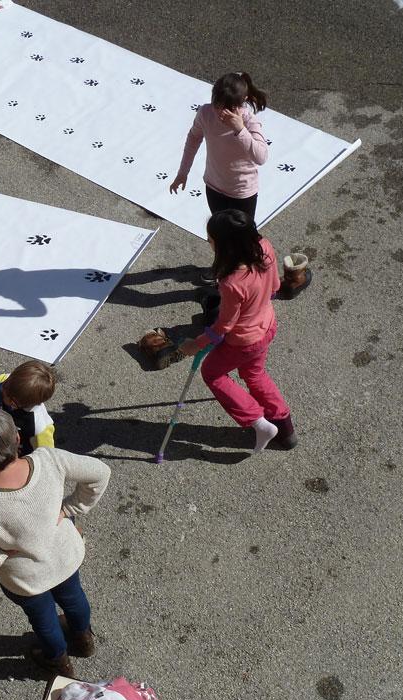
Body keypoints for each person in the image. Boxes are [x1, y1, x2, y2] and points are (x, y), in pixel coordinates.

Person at [0, 409, 111, 677]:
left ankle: (58, 661)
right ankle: (83, 640)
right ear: (17, 438)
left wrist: (0, 556)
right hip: (65, 556)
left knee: (44, 620)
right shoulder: (49, 458)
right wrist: (70, 508)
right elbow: (100, 472)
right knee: (74, 598)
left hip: (27, 581)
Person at [179, 210, 296, 452]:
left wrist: (195, 344)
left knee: (212, 373)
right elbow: (274, 287)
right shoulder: (264, 247)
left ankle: (258, 421)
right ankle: (285, 428)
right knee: (254, 374)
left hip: (244, 340)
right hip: (267, 326)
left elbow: (224, 327)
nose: (208, 242)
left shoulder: (231, 281)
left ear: (225, 245)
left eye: (210, 238)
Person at [170, 71, 268, 219]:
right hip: (214, 188)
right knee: (221, 236)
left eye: (229, 109)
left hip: (242, 194)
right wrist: (182, 173)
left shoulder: (249, 121)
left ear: (243, 101)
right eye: (218, 106)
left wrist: (240, 130)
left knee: (242, 239)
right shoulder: (205, 113)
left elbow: (261, 157)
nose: (221, 114)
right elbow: (193, 139)